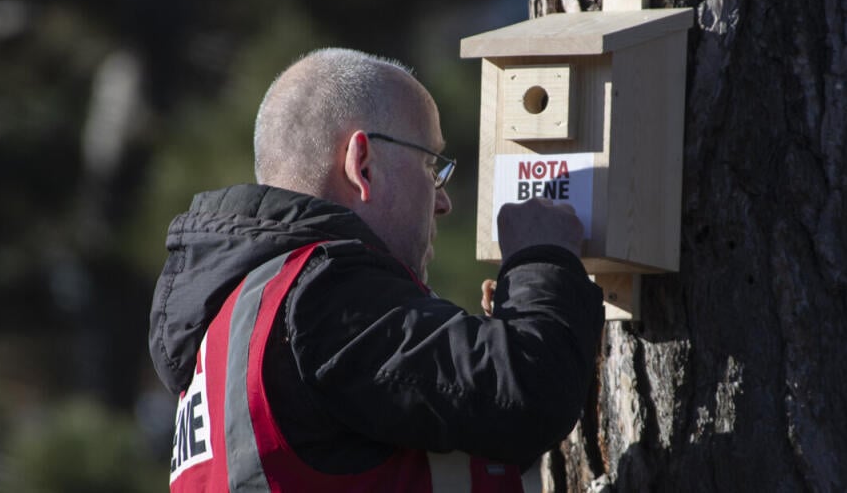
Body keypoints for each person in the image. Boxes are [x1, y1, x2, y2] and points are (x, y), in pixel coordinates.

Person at [149, 48, 605, 492]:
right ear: (362, 164)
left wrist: (514, 322)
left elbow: (458, 429)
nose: (443, 201)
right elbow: (526, 395)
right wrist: (541, 259)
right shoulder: (320, 296)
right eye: (431, 165)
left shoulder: (236, 328)